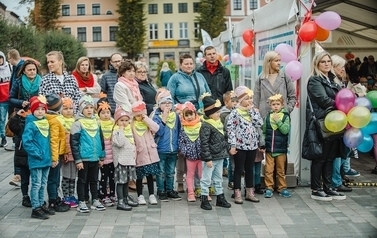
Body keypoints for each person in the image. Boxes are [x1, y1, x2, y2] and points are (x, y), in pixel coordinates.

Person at [303, 51, 346, 201]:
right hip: (321, 122)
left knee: (330, 157)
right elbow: (323, 100)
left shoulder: (333, 80)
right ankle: (316, 189)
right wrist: (342, 106)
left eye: (328, 61)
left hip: (335, 122)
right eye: (323, 62)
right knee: (320, 157)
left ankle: (328, 187)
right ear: (317, 64)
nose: (327, 64)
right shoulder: (315, 80)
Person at [226, 86, 263, 204]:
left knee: (249, 169)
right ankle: (237, 192)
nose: (250, 101)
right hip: (240, 146)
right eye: (247, 98)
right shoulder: (235, 113)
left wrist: (252, 111)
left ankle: (249, 192)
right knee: (238, 169)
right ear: (241, 100)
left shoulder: (253, 112)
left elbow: (259, 123)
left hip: (252, 145)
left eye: (251, 98)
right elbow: (230, 130)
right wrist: (232, 145)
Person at [8, 60, 42, 187]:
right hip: (21, 115)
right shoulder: (18, 82)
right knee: (20, 143)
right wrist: (20, 102)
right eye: (29, 70)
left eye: (34, 69)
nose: (32, 72)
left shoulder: (41, 81)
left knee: (35, 142)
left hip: (37, 115)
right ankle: (18, 174)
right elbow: (10, 98)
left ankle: (34, 168)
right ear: (24, 71)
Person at [70, 95, 106, 213]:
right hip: (83, 158)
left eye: (91, 107)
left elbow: (101, 140)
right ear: (81, 109)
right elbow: (74, 143)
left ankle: (95, 199)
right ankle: (82, 201)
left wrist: (101, 156)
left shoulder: (96, 122)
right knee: (82, 180)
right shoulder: (77, 123)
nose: (89, 110)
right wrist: (78, 160)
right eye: (86, 108)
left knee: (94, 180)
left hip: (95, 157)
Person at [113, 59, 142, 191]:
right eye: (128, 71)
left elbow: (139, 100)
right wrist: (137, 112)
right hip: (125, 119)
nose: (131, 73)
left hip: (136, 118)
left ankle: (133, 177)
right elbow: (125, 104)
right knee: (126, 147)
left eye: (133, 71)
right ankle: (128, 181)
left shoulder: (134, 84)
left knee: (134, 148)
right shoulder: (120, 85)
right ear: (122, 73)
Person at [199, 94, 231, 210]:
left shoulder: (219, 123)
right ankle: (204, 198)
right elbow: (204, 143)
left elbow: (223, 138)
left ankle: (220, 197)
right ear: (210, 114)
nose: (219, 114)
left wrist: (228, 148)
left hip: (220, 156)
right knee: (206, 179)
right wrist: (207, 158)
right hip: (210, 158)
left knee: (218, 178)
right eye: (216, 112)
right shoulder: (206, 126)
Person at [22, 95, 51, 219]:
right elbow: (26, 142)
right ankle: (35, 208)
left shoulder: (45, 122)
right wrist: (37, 153)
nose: (40, 111)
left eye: (43, 109)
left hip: (46, 159)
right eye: (38, 109)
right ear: (33, 110)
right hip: (36, 159)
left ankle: (41, 204)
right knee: (36, 184)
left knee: (43, 183)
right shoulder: (31, 124)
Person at [152, 89, 182, 201]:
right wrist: (163, 118)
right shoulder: (156, 117)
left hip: (173, 149)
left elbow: (179, 131)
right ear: (159, 104)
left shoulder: (175, 116)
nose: (167, 105)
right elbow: (158, 132)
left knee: (170, 172)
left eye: (169, 102)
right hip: (161, 149)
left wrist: (179, 146)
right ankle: (161, 191)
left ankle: (170, 190)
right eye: (164, 103)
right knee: (160, 172)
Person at [45, 93, 70, 213]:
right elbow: (54, 141)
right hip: (54, 155)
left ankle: (55, 198)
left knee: (55, 178)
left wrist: (64, 152)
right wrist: (54, 159)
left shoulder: (55, 118)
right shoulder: (54, 121)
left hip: (59, 153)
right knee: (53, 178)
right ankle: (53, 201)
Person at [262, 94, 291, 198]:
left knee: (280, 170)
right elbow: (264, 131)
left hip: (281, 149)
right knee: (268, 170)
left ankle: (282, 187)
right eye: (273, 104)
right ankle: (269, 187)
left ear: (282, 105)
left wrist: (277, 120)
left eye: (278, 104)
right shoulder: (267, 117)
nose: (275, 106)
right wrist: (263, 144)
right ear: (270, 105)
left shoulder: (285, 116)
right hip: (270, 148)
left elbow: (285, 130)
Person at [131, 101, 160, 205]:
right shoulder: (132, 125)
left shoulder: (147, 122)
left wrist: (146, 119)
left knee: (150, 176)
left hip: (151, 154)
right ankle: (140, 195)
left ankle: (152, 195)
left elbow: (156, 128)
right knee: (139, 177)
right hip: (140, 155)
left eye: (141, 115)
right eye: (137, 115)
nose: (140, 117)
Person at [112, 106, 139, 211]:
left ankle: (126, 198)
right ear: (117, 121)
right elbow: (120, 143)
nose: (124, 123)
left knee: (126, 181)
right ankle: (120, 201)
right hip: (121, 161)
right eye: (121, 120)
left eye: (126, 120)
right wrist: (121, 131)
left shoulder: (129, 131)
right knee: (121, 181)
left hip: (129, 161)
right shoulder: (116, 132)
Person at [178, 101, 202, 202]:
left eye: (191, 114)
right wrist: (185, 151)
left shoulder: (201, 125)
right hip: (190, 156)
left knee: (202, 174)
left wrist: (205, 150)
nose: (189, 117)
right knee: (190, 174)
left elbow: (205, 139)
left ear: (195, 113)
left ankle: (204, 192)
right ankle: (191, 193)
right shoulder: (183, 128)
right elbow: (181, 141)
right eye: (186, 115)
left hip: (201, 155)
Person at [8, 108, 31, 207]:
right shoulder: (21, 125)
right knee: (25, 179)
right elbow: (12, 126)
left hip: (34, 156)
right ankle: (25, 196)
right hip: (23, 156)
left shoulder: (38, 123)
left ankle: (36, 197)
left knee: (36, 179)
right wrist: (17, 116)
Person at [58, 97, 79, 208]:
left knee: (73, 176)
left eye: (71, 108)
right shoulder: (60, 121)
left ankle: (72, 194)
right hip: (65, 153)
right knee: (66, 175)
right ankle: (66, 195)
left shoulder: (76, 121)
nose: (69, 111)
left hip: (74, 154)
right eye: (65, 108)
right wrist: (65, 152)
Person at [96, 97, 116, 207]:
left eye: (108, 112)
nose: (106, 115)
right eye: (103, 113)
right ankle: (103, 196)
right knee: (103, 177)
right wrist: (100, 157)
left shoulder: (113, 124)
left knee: (113, 177)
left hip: (112, 156)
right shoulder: (97, 125)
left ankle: (112, 194)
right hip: (103, 157)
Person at [220, 91, 238, 190]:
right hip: (228, 140)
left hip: (237, 140)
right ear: (226, 103)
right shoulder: (223, 114)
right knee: (231, 161)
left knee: (234, 161)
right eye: (232, 101)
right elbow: (224, 129)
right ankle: (231, 181)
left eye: (236, 101)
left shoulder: (237, 111)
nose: (235, 103)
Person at [0, 51, 11, 147]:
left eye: (1, 58)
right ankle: (3, 137)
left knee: (12, 118)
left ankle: (14, 138)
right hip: (1, 101)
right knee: (2, 119)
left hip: (10, 98)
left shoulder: (10, 67)